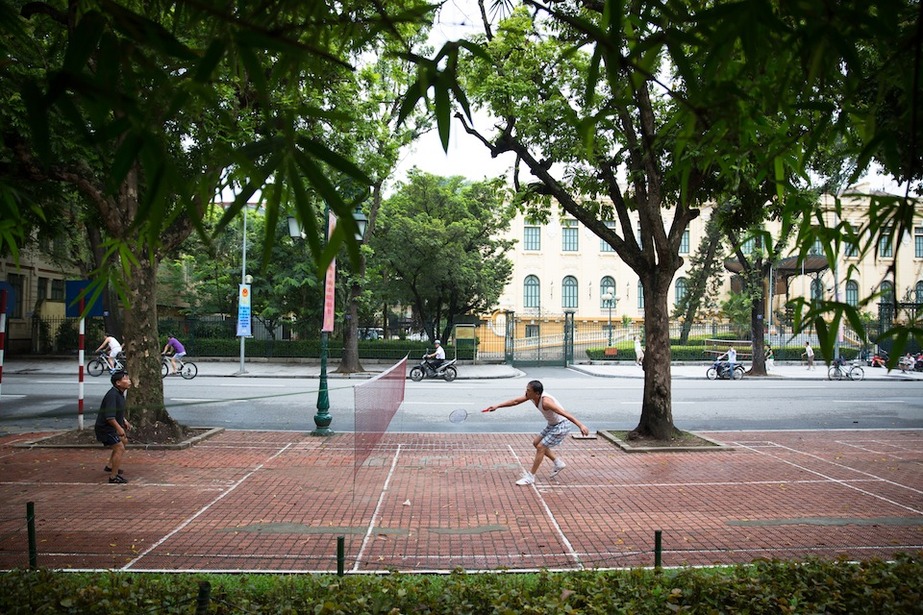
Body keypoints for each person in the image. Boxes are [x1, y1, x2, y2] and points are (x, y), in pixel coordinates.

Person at [483, 380, 590, 486]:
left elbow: (564, 413)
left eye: (528, 390)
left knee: (540, 447)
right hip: (552, 424)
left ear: (537, 393)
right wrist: (497, 406)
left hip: (562, 425)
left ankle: (530, 477)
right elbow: (515, 401)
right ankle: (558, 463)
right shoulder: (532, 396)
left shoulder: (546, 402)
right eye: (526, 389)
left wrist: (580, 425)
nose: (526, 392)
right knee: (536, 443)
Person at [95, 370, 133, 484]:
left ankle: (110, 465)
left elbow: (117, 412)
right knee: (119, 448)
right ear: (118, 383)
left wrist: (124, 421)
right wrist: (119, 428)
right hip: (105, 428)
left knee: (123, 441)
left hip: (110, 427)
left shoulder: (119, 394)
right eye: (125, 379)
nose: (129, 381)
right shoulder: (112, 395)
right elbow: (110, 417)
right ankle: (113, 477)